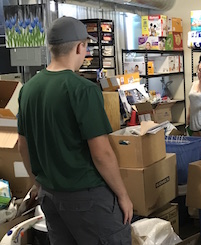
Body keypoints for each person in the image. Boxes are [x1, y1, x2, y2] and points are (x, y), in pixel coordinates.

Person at [17, 16, 133, 244]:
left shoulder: (28, 89)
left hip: (50, 196)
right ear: (80, 47)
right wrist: (123, 195)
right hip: (87, 196)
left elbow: (23, 145)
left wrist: (39, 183)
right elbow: (102, 153)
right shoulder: (83, 89)